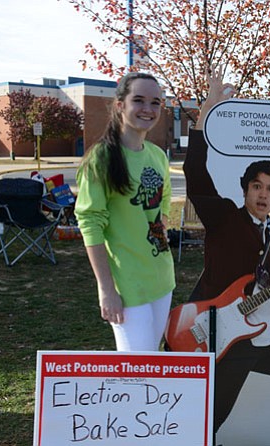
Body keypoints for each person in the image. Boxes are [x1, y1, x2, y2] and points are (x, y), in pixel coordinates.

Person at [183, 71, 270, 446]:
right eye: (257, 187)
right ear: (246, 189)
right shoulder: (225, 219)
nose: (264, 195)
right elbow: (195, 175)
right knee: (211, 418)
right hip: (226, 333)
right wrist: (206, 112)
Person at [74, 72, 175, 352]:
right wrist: (106, 289)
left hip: (162, 278)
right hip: (127, 287)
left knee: (151, 360)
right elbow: (90, 223)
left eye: (155, 102)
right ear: (120, 105)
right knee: (136, 372)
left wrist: (158, 227)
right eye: (139, 100)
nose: (148, 109)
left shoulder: (157, 155)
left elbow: (163, 201)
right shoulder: (101, 159)